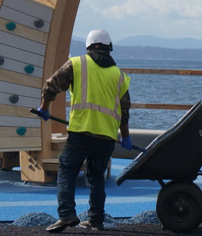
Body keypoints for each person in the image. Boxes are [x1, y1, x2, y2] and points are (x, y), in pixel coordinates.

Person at [36, 29, 133, 233]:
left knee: (67, 170)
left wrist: (44, 109)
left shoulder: (77, 63)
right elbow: (124, 111)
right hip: (106, 137)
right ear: (109, 48)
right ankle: (96, 220)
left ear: (89, 47)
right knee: (96, 177)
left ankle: (66, 215)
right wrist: (125, 137)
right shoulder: (119, 76)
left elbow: (50, 86)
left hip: (80, 133)